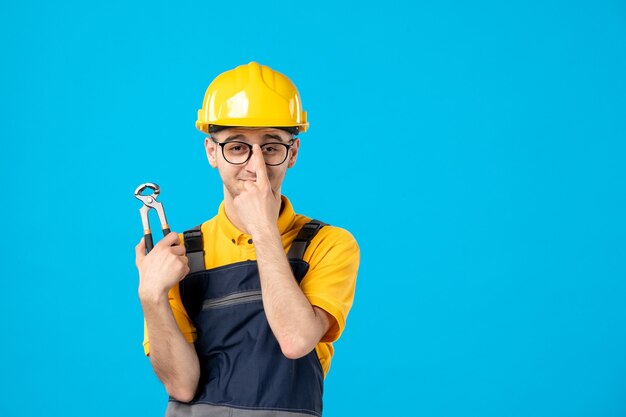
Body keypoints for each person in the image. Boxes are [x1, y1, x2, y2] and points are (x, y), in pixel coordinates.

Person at [135, 62, 360, 417]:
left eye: (271, 147)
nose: (255, 167)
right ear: (212, 152)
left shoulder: (328, 244)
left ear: (293, 153)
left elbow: (296, 341)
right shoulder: (181, 255)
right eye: (238, 147)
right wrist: (151, 296)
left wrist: (265, 230)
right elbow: (181, 385)